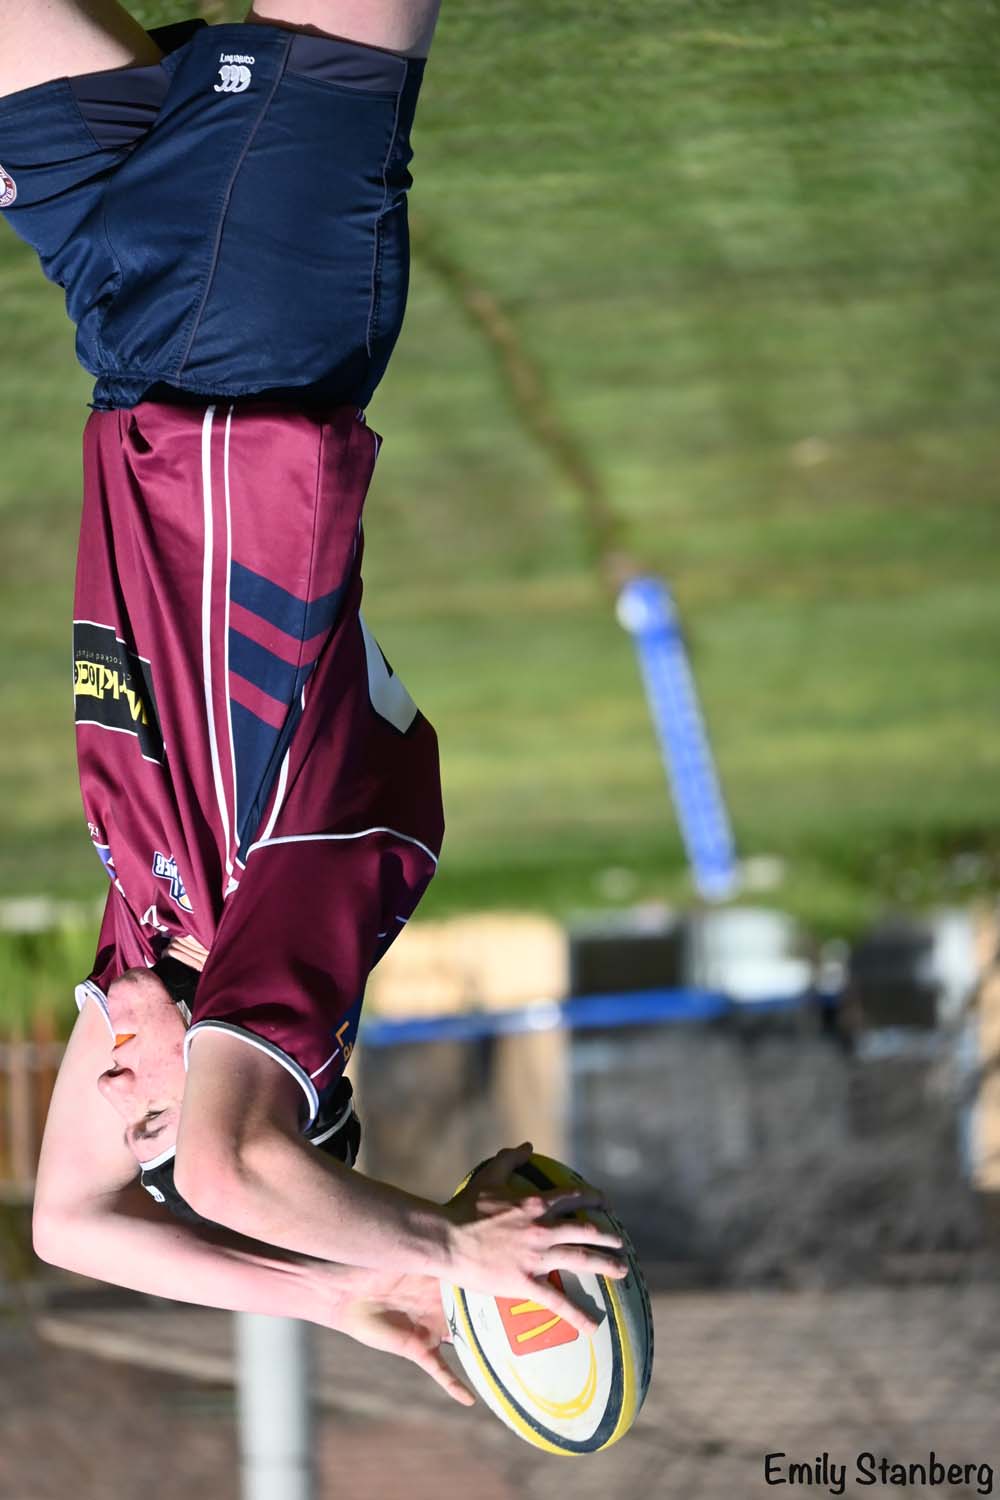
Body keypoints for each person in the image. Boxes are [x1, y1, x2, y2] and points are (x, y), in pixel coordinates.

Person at [1, 2, 627, 1405]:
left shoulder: (153, 929)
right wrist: (447, 1255)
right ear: (276, 1074)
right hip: (252, 330)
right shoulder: (305, 905)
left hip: (132, 333)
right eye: (153, 1116)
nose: (106, 1092)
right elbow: (234, 1164)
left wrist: (341, 1299)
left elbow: (71, 1228)